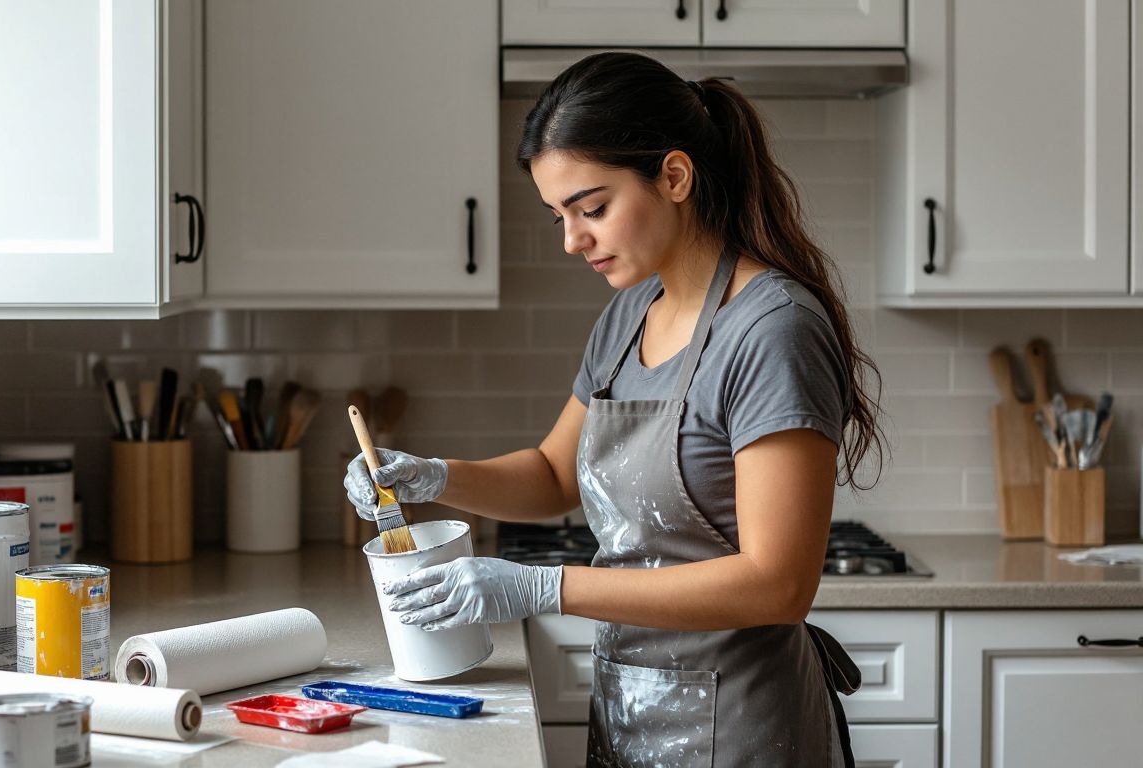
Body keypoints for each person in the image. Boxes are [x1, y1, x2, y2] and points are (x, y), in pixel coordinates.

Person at [345, 51, 883, 768]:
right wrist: (436, 476)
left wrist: (544, 586)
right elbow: (550, 475)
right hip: (632, 711)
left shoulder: (772, 328)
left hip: (744, 730)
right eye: (559, 215)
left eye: (592, 208)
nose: (573, 240)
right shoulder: (631, 314)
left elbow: (778, 583)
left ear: (675, 176)